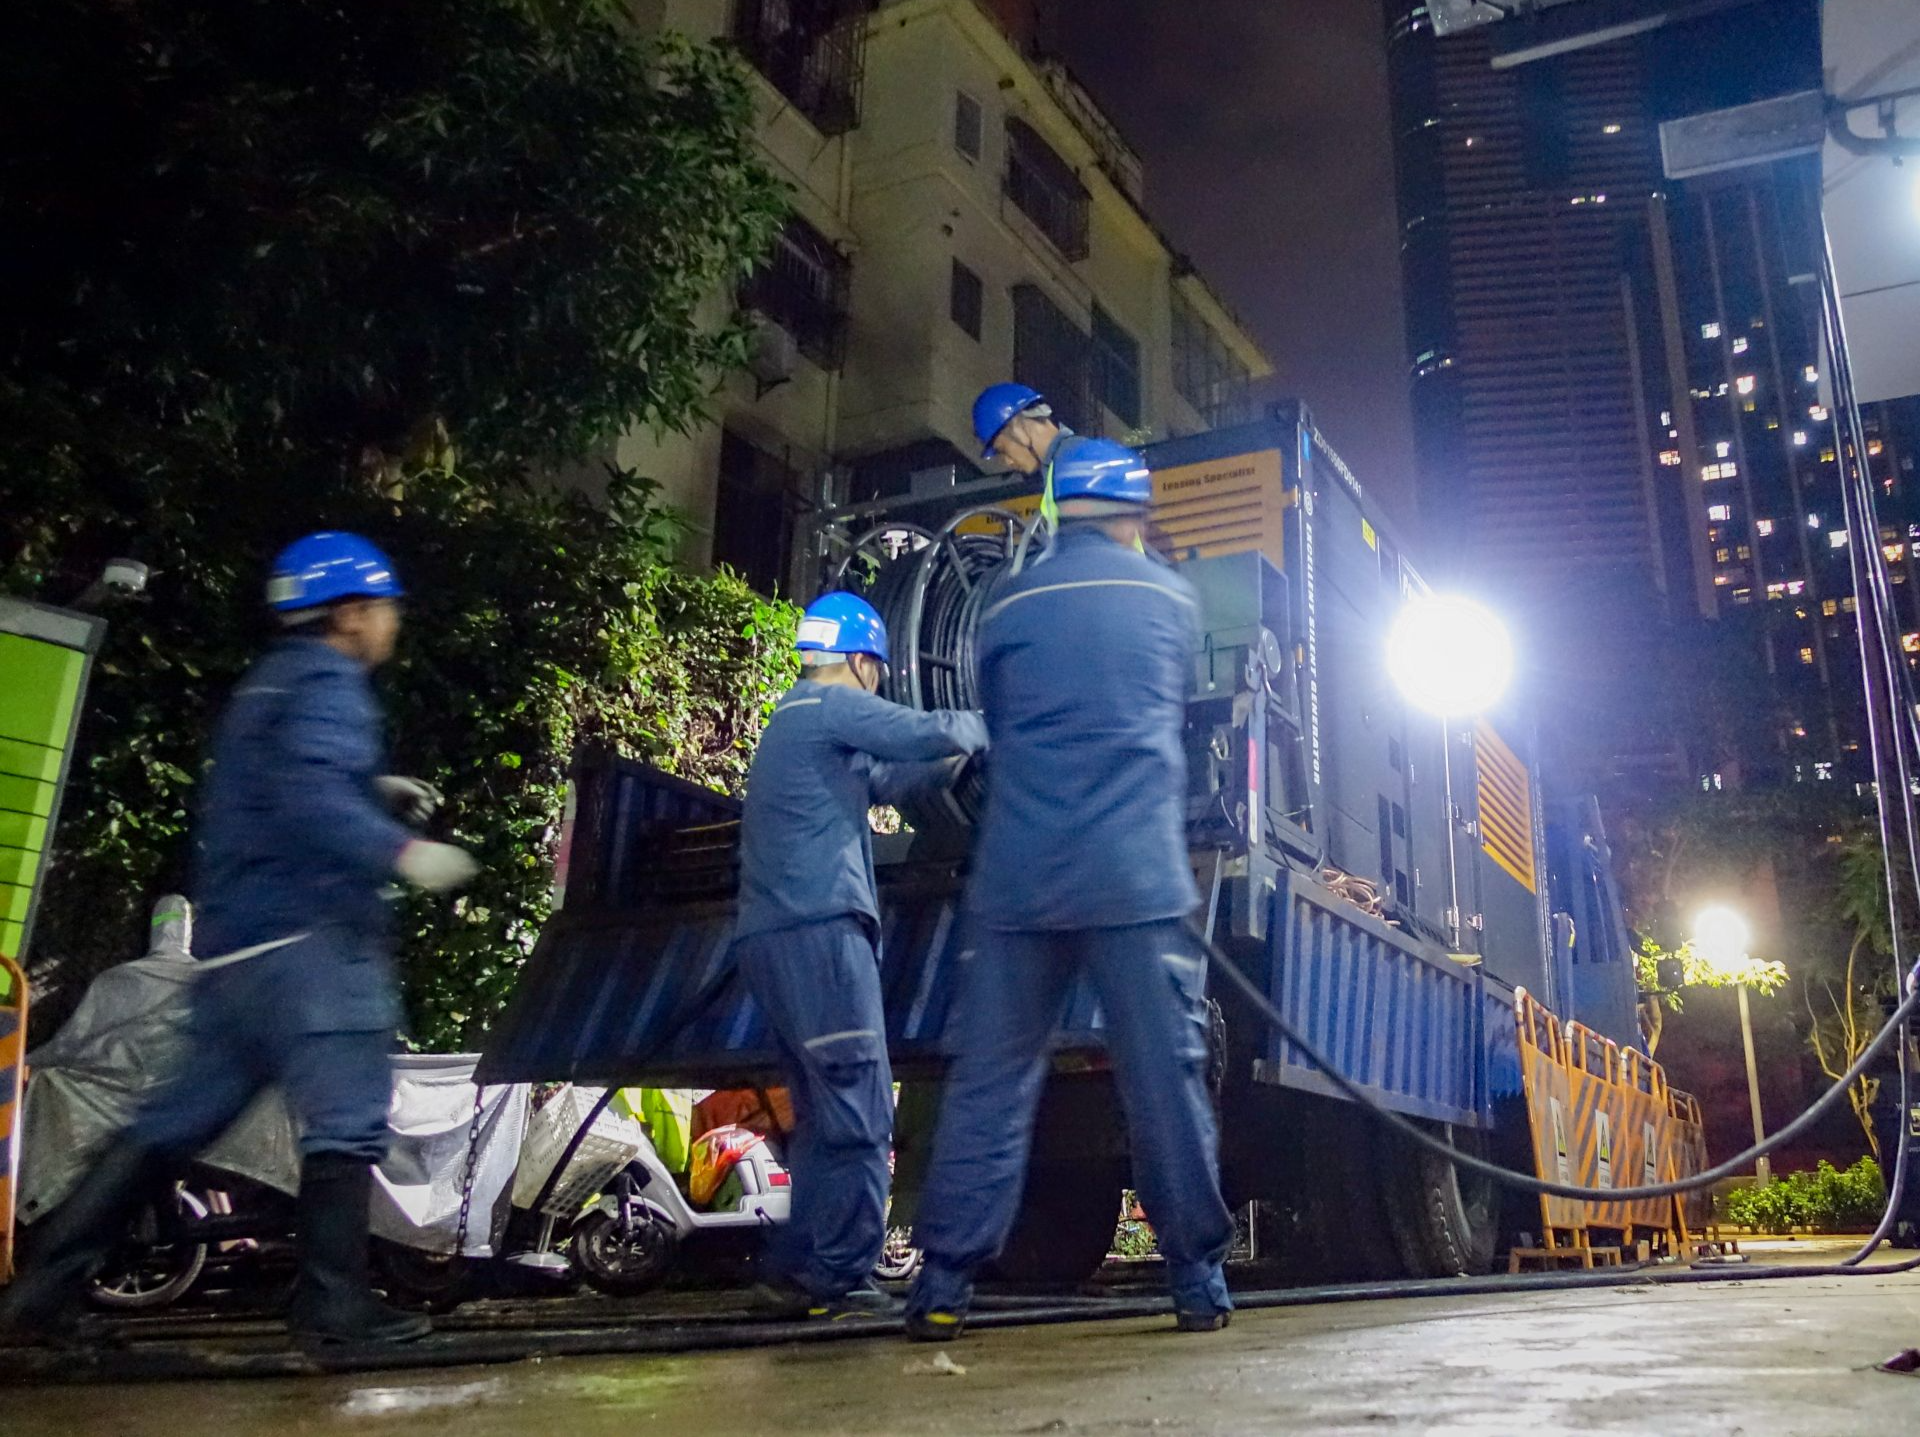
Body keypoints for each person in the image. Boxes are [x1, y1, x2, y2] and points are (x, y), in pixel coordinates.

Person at [0, 531, 478, 1348]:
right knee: (346, 1120)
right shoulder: (332, 681)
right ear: (351, 612)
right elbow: (309, 800)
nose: (392, 621)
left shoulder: (268, 683)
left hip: (235, 955)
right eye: (386, 606)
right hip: (315, 947)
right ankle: (333, 1304)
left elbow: (284, 787)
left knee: (171, 1122)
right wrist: (404, 850)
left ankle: (42, 1290)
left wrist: (372, 789)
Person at [906, 438, 1235, 1340]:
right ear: (1132, 510)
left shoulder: (1009, 600)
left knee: (993, 1081)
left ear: (1054, 507)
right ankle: (1197, 1280)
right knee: (1161, 1083)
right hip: (1134, 876)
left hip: (1020, 877)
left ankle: (941, 1285)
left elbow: (999, 719)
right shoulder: (1167, 599)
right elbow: (1169, 710)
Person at [735, 592, 987, 1319]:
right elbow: (920, 729)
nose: (879, 678)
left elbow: (888, 778)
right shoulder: (828, 705)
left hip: (774, 936)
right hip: (819, 931)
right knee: (861, 1108)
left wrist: (951, 761)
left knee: (822, 1114)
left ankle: (795, 1272)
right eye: (876, 666)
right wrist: (995, 723)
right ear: (857, 659)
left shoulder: (794, 722)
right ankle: (839, 1277)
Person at [972, 382, 1072, 480]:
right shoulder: (1062, 469)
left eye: (1003, 451)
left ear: (1019, 432)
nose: (1008, 462)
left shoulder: (1071, 468)